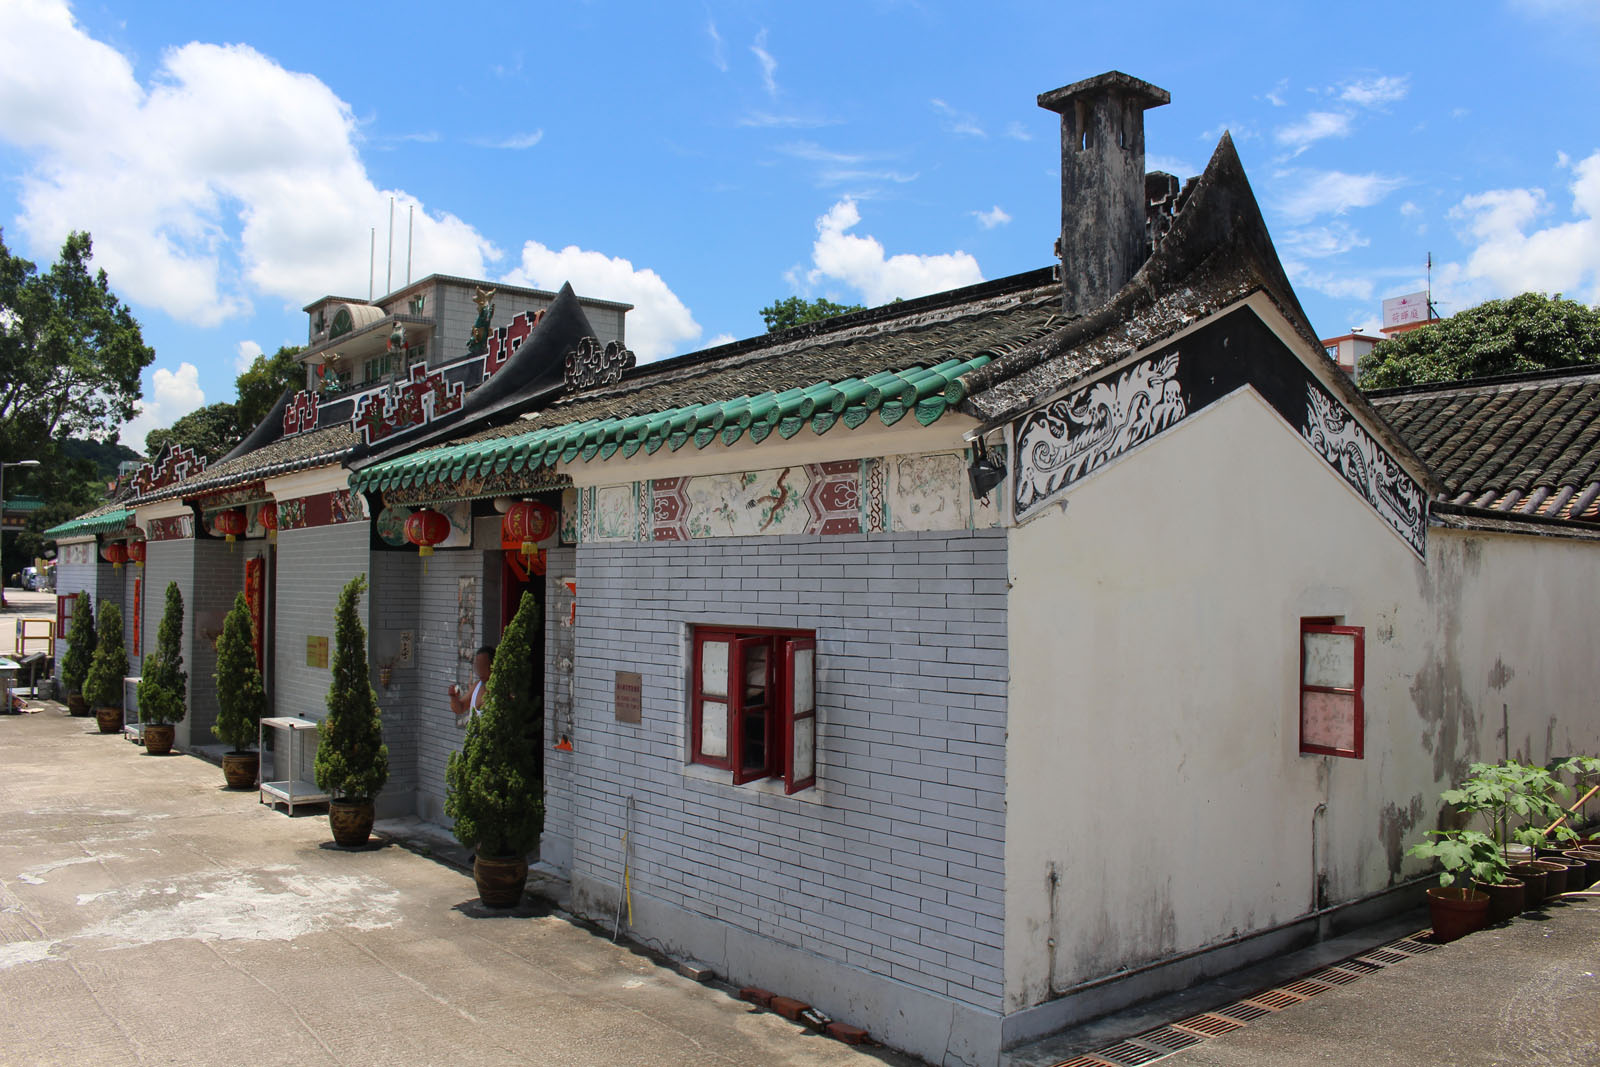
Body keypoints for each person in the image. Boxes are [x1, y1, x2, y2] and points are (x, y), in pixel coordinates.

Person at [448, 645, 494, 725]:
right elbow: (460, 708)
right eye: (477, 666)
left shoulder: (502, 689)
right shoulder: (476, 685)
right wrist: (453, 697)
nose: (479, 671)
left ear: (492, 665)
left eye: (483, 666)